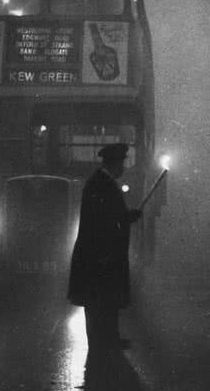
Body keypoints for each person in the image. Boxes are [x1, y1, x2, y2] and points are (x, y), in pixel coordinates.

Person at [68, 142, 142, 365]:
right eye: (122, 163)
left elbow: (109, 216)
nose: (124, 168)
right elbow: (104, 220)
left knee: (103, 299)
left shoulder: (101, 182)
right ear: (114, 163)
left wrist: (126, 217)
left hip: (99, 252)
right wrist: (126, 218)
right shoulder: (101, 184)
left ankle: (108, 340)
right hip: (100, 253)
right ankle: (103, 344)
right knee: (100, 301)